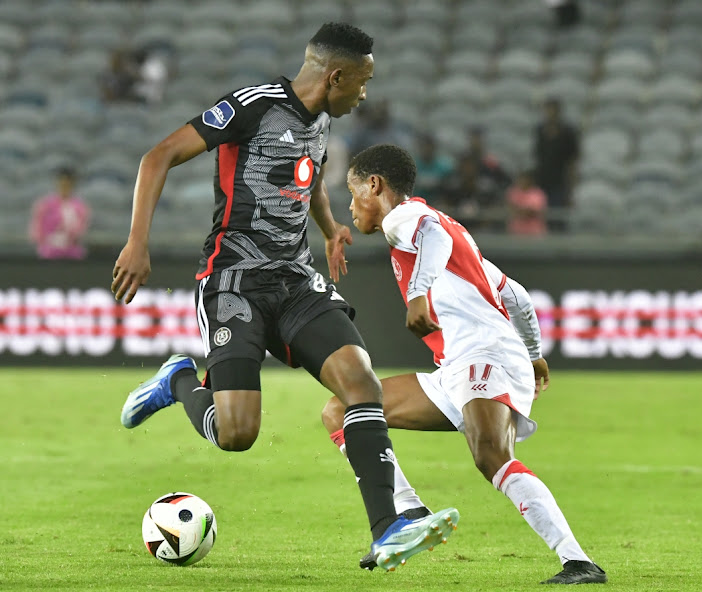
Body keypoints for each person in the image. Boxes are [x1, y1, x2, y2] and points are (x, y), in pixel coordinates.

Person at [111, 23, 458, 572]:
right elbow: (156, 158)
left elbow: (309, 175)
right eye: (362, 82)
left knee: (360, 383)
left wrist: (327, 227)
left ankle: (388, 527)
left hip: (295, 281)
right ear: (336, 75)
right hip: (235, 282)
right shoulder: (251, 107)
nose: (365, 94)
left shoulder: (321, 121)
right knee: (237, 433)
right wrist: (137, 243)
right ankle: (179, 379)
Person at [320, 143, 607, 585]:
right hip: (459, 365)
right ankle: (409, 511)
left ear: (374, 185)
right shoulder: (458, 236)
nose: (352, 205)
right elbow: (516, 296)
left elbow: (431, 234)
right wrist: (534, 356)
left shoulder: (405, 218)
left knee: (491, 455)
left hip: (483, 354)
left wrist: (418, 293)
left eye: (353, 191)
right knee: (341, 411)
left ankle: (578, 561)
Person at [533, 98, 579, 233]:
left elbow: (572, 159)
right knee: (542, 213)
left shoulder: (567, 132)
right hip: (542, 177)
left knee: (558, 213)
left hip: (560, 179)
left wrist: (571, 182)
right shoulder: (540, 131)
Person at [29, 167, 90, 259]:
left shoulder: (79, 207)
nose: (64, 187)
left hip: (71, 250)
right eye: (62, 184)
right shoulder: (45, 205)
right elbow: (37, 226)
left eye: (67, 184)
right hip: (48, 249)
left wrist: (70, 238)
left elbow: (81, 228)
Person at [412, 132, 454, 204]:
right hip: (417, 202)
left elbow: (450, 184)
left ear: (434, 147)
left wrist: (439, 183)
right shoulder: (413, 166)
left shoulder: (444, 166)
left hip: (437, 202)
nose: (427, 149)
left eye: (429, 146)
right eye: (424, 146)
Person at [505, 170, 548, 236]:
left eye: (525, 179)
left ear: (530, 181)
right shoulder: (513, 192)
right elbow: (509, 208)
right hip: (516, 231)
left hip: (535, 232)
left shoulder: (538, 193)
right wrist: (523, 211)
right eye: (521, 179)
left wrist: (521, 211)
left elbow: (536, 211)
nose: (523, 181)